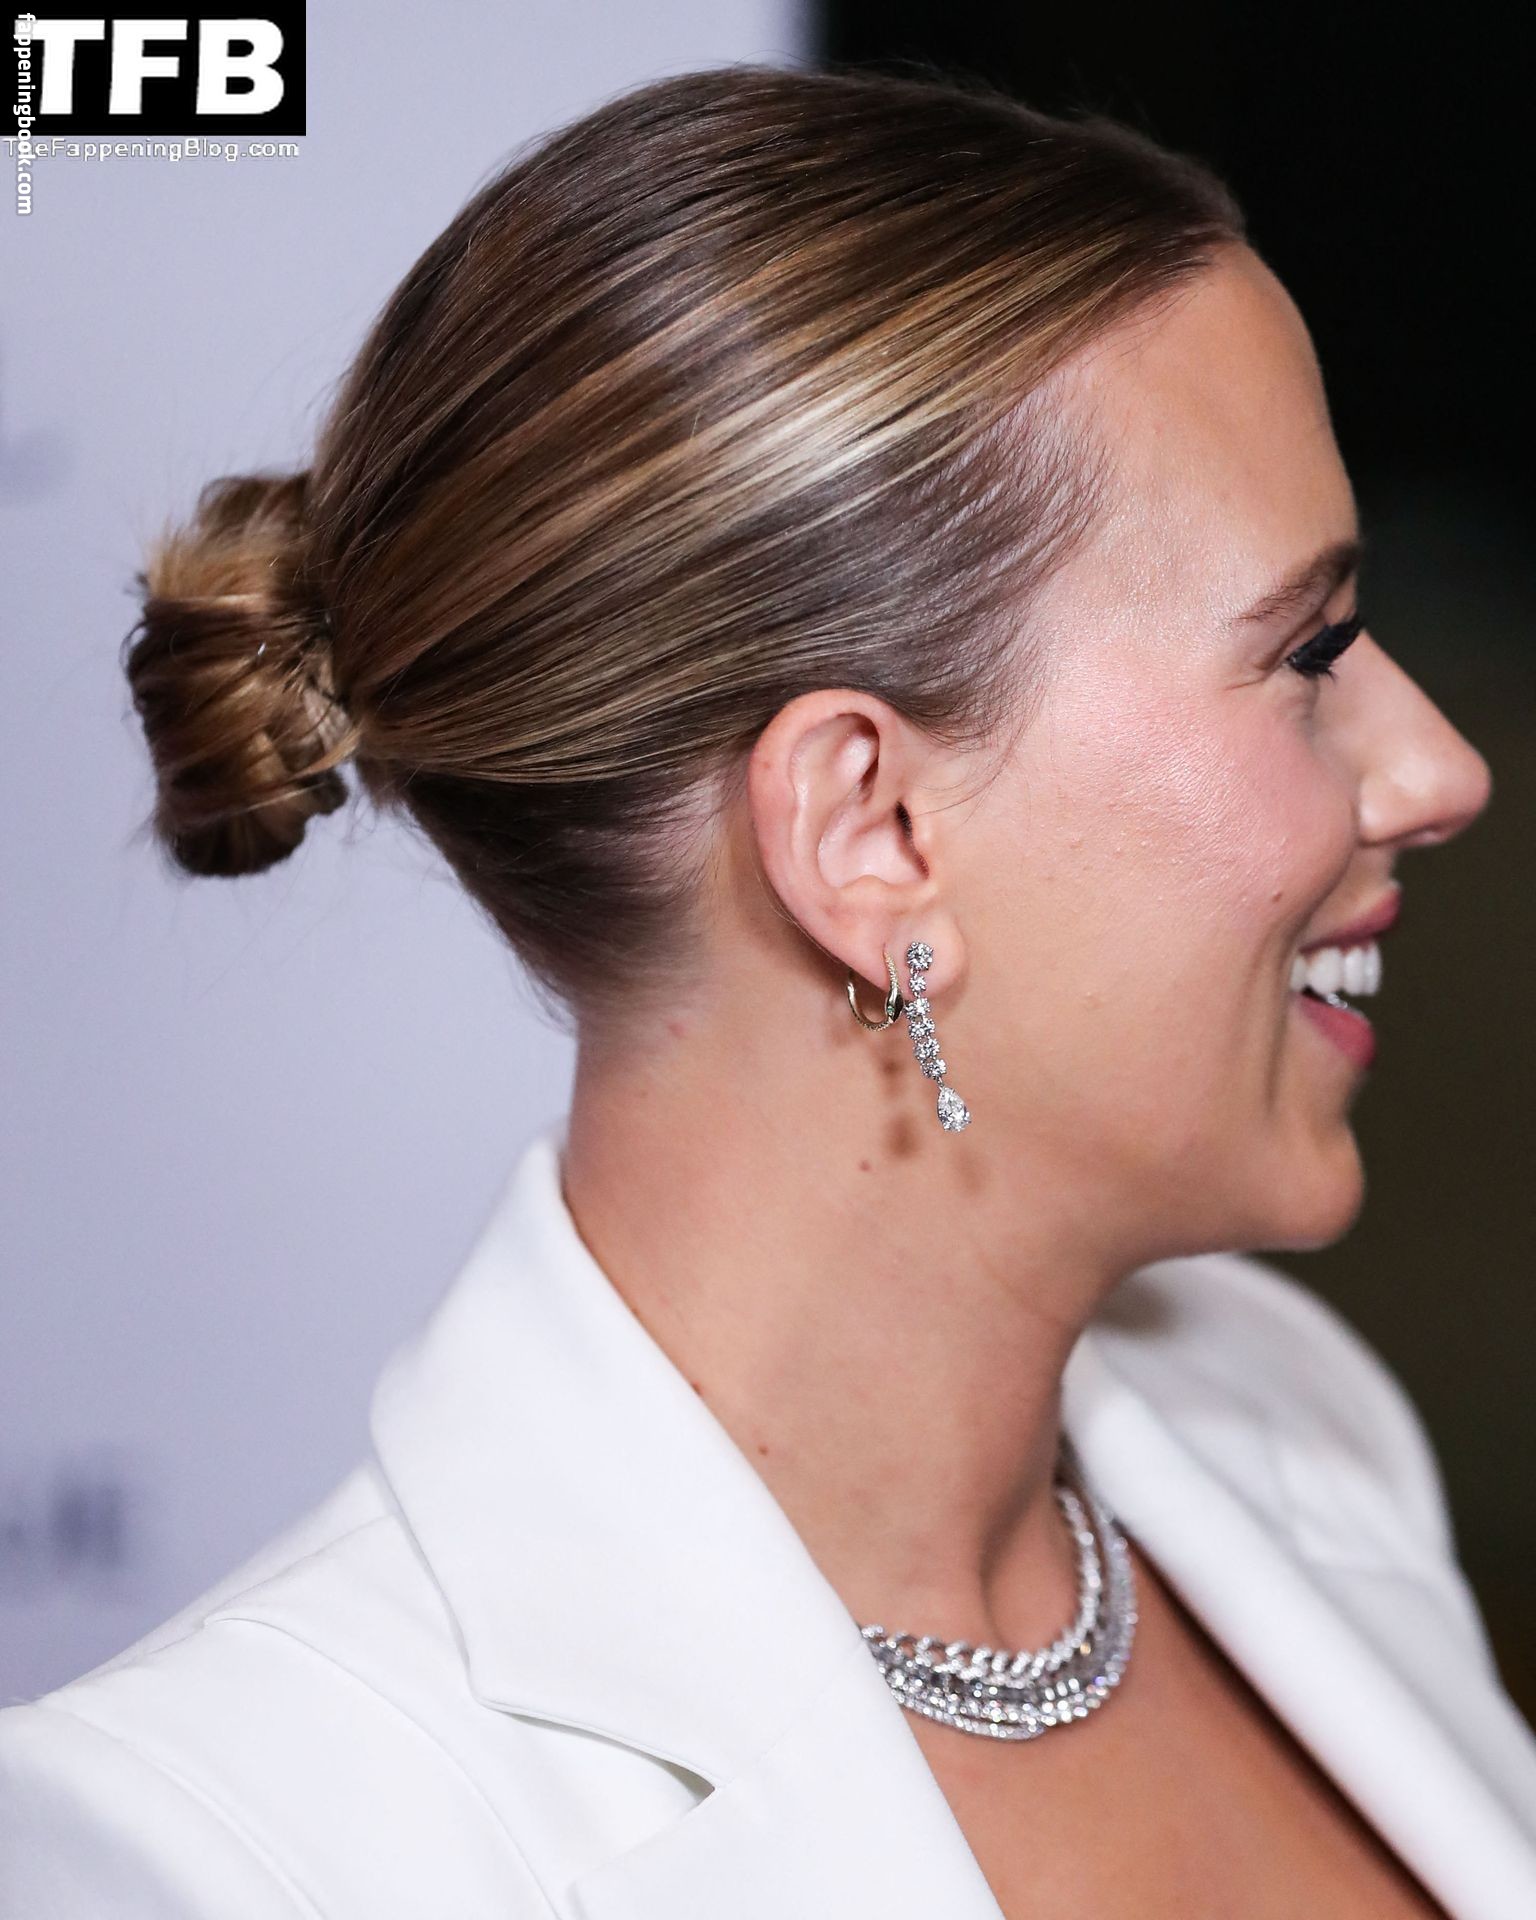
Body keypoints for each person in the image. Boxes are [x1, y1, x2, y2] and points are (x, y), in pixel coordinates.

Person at [2, 60, 1532, 1920]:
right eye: (1312, 649)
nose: (1440, 766)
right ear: (868, 826)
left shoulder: (1291, 1429)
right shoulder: (224, 1854)